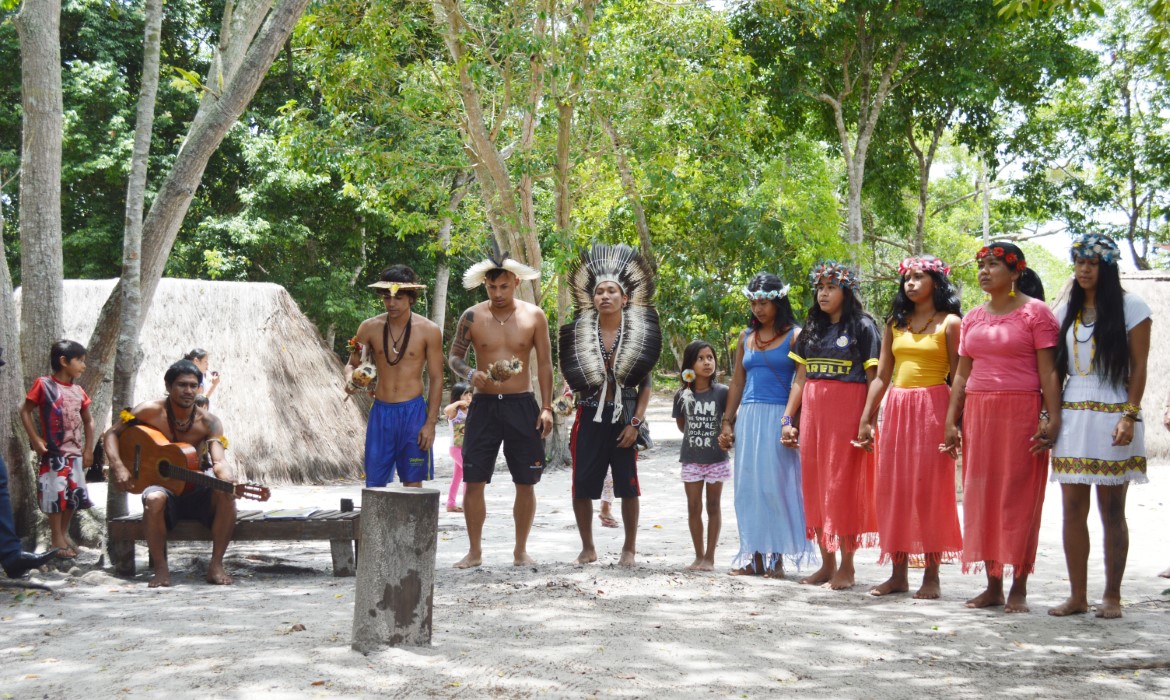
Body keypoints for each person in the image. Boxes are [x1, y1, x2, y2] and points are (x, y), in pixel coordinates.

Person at [941, 242, 1061, 613]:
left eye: (993, 264)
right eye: (982, 264)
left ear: (1015, 272)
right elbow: (961, 373)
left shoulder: (1036, 313)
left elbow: (1049, 372)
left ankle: (1018, 587)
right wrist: (951, 420)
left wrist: (1051, 418)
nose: (984, 270)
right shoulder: (973, 317)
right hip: (979, 411)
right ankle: (992, 585)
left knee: (1019, 496)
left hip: (1021, 410)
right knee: (982, 495)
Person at [1047, 234, 1152, 620]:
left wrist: (1130, 414)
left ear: (1107, 267)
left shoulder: (1131, 307)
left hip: (1114, 412)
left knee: (1112, 509)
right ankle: (1077, 596)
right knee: (1072, 509)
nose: (1084, 270)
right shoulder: (1065, 313)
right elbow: (1054, 369)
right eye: (1079, 263)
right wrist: (1050, 415)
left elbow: (1139, 366)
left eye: (1092, 263)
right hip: (1074, 413)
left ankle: (1112, 595)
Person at [857, 255, 963, 599]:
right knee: (893, 489)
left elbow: (960, 375)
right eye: (907, 278)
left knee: (930, 491)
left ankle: (931, 576)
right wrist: (867, 417)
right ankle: (897, 574)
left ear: (937, 282)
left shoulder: (951, 323)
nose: (911, 283)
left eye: (919, 277)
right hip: (898, 408)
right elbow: (883, 375)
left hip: (934, 406)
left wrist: (955, 422)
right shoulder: (894, 323)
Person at [449, 247, 555, 568]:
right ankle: (474, 551)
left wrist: (547, 407)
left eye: (504, 286)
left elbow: (545, 365)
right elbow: (453, 356)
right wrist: (470, 373)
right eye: (492, 287)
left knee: (525, 480)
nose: (498, 293)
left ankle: (520, 550)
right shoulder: (472, 316)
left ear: (515, 282)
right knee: (474, 478)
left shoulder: (534, 316)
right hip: (483, 406)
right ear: (485, 285)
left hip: (521, 404)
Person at [560, 244, 661, 567]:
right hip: (588, 415)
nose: (605, 296)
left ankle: (629, 548)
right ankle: (587, 546)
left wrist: (636, 424)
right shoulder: (577, 334)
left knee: (628, 484)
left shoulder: (640, 333)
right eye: (599, 291)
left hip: (624, 418)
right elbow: (570, 377)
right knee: (581, 484)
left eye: (611, 291)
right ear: (592, 297)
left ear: (625, 298)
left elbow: (645, 383)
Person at [783, 261, 880, 591]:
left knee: (843, 488)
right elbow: (800, 378)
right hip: (813, 414)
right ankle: (827, 564)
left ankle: (848, 568)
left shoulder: (863, 327)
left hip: (848, 413)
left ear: (847, 291)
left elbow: (874, 379)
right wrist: (787, 419)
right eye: (820, 288)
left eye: (831, 287)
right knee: (816, 485)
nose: (823, 293)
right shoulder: (811, 327)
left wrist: (867, 420)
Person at [105, 360, 236, 587]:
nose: (188, 391)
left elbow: (219, 460)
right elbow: (111, 434)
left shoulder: (209, 422)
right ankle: (161, 569)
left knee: (226, 494)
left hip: (194, 486)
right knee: (154, 498)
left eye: (193, 386)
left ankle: (215, 565)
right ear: (168, 386)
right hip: (162, 486)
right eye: (182, 385)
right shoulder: (149, 411)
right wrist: (118, 466)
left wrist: (228, 478)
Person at [719, 273, 814, 578]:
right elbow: (737, 382)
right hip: (748, 416)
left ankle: (776, 559)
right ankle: (755, 556)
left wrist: (788, 421)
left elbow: (801, 379)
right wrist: (727, 422)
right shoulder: (745, 337)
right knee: (749, 488)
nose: (757, 308)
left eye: (764, 302)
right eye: (753, 302)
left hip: (779, 416)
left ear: (778, 301)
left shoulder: (796, 336)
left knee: (776, 487)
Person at [345, 265, 445, 489]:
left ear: (411, 298)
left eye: (398, 297)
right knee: (375, 484)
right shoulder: (369, 328)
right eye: (387, 297)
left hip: (413, 413)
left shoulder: (429, 330)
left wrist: (430, 424)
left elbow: (437, 378)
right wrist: (350, 379)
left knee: (412, 482)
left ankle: (413, 525)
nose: (391, 303)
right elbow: (352, 365)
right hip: (381, 412)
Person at [20, 339, 96, 558]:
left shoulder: (79, 391)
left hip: (75, 453)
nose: (83, 365)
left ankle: (62, 535)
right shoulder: (44, 385)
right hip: (54, 452)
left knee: (73, 496)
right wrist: (34, 439)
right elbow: (25, 411)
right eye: (79, 361)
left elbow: (88, 421)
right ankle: (56, 539)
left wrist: (89, 449)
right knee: (55, 495)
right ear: (64, 361)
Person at [673, 340, 729, 572]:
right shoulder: (682, 395)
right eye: (700, 358)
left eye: (710, 358)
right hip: (691, 459)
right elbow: (681, 425)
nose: (707, 362)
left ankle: (710, 558)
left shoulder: (723, 393)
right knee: (693, 507)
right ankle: (698, 556)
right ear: (689, 364)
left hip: (717, 459)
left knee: (713, 506)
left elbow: (730, 422)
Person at [443, 382, 472, 513]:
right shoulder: (455, 411)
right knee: (469, 473)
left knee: (457, 477)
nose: (468, 397)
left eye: (470, 394)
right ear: (458, 396)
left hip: (467, 449)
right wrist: (458, 403)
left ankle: (450, 504)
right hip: (456, 449)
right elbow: (446, 410)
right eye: (465, 394)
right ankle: (467, 504)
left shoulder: (471, 410)